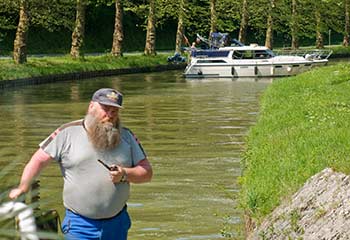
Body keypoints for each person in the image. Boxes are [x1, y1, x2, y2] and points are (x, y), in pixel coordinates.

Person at [9, 88, 153, 240]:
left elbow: (147, 172)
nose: (110, 115)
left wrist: (124, 174)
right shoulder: (67, 133)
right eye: (105, 109)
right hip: (79, 224)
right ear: (91, 107)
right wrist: (23, 187)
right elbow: (37, 161)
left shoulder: (127, 137)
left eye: (114, 111)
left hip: (117, 223)